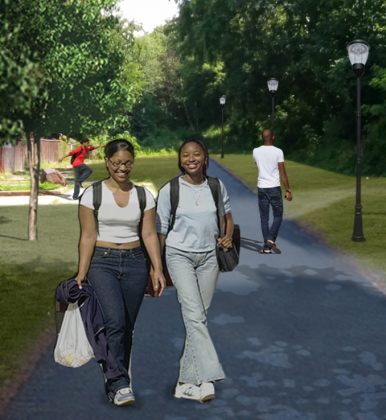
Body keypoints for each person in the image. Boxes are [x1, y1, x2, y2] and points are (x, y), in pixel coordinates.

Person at [75, 139, 166, 406]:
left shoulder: (144, 195)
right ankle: (119, 383)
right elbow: (88, 236)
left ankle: (118, 380)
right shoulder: (92, 194)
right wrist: (81, 272)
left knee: (127, 327)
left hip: (136, 261)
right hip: (102, 263)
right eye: (117, 163)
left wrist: (156, 269)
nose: (122, 168)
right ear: (107, 162)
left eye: (127, 163)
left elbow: (149, 234)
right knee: (113, 321)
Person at [156, 139, 234, 403]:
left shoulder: (216, 186)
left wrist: (227, 237)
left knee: (198, 317)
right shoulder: (170, 190)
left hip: (210, 257)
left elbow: (227, 218)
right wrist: (157, 268)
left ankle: (185, 383)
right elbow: (161, 231)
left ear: (205, 157)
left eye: (196, 154)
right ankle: (208, 376)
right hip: (179, 256)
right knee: (194, 314)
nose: (191, 158)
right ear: (180, 160)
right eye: (185, 155)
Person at [252, 129, 292, 254]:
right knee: (278, 216)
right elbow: (283, 173)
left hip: (262, 187)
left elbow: (257, 164)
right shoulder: (278, 151)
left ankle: (266, 248)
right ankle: (270, 239)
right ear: (273, 138)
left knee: (264, 218)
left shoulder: (256, 151)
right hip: (274, 187)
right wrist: (288, 190)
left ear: (262, 138)